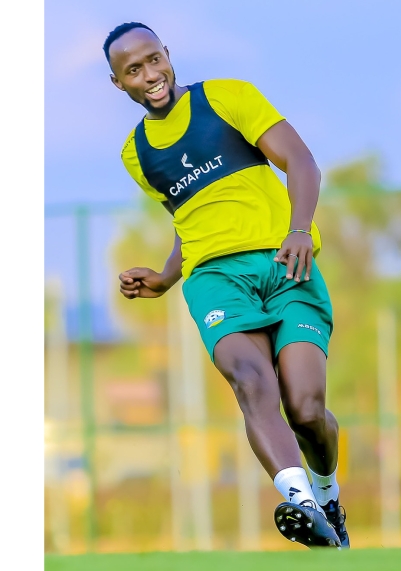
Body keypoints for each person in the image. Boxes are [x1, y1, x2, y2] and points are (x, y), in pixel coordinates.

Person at [105, 22, 349, 549]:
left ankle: (326, 494)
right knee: (250, 381)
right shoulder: (137, 154)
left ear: (167, 54)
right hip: (215, 280)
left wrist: (300, 229)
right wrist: (167, 277)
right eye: (133, 71)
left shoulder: (226, 97)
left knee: (306, 409)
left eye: (153, 60)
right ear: (117, 83)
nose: (150, 75)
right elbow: (192, 222)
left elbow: (301, 162)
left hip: (287, 263)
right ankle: (302, 506)